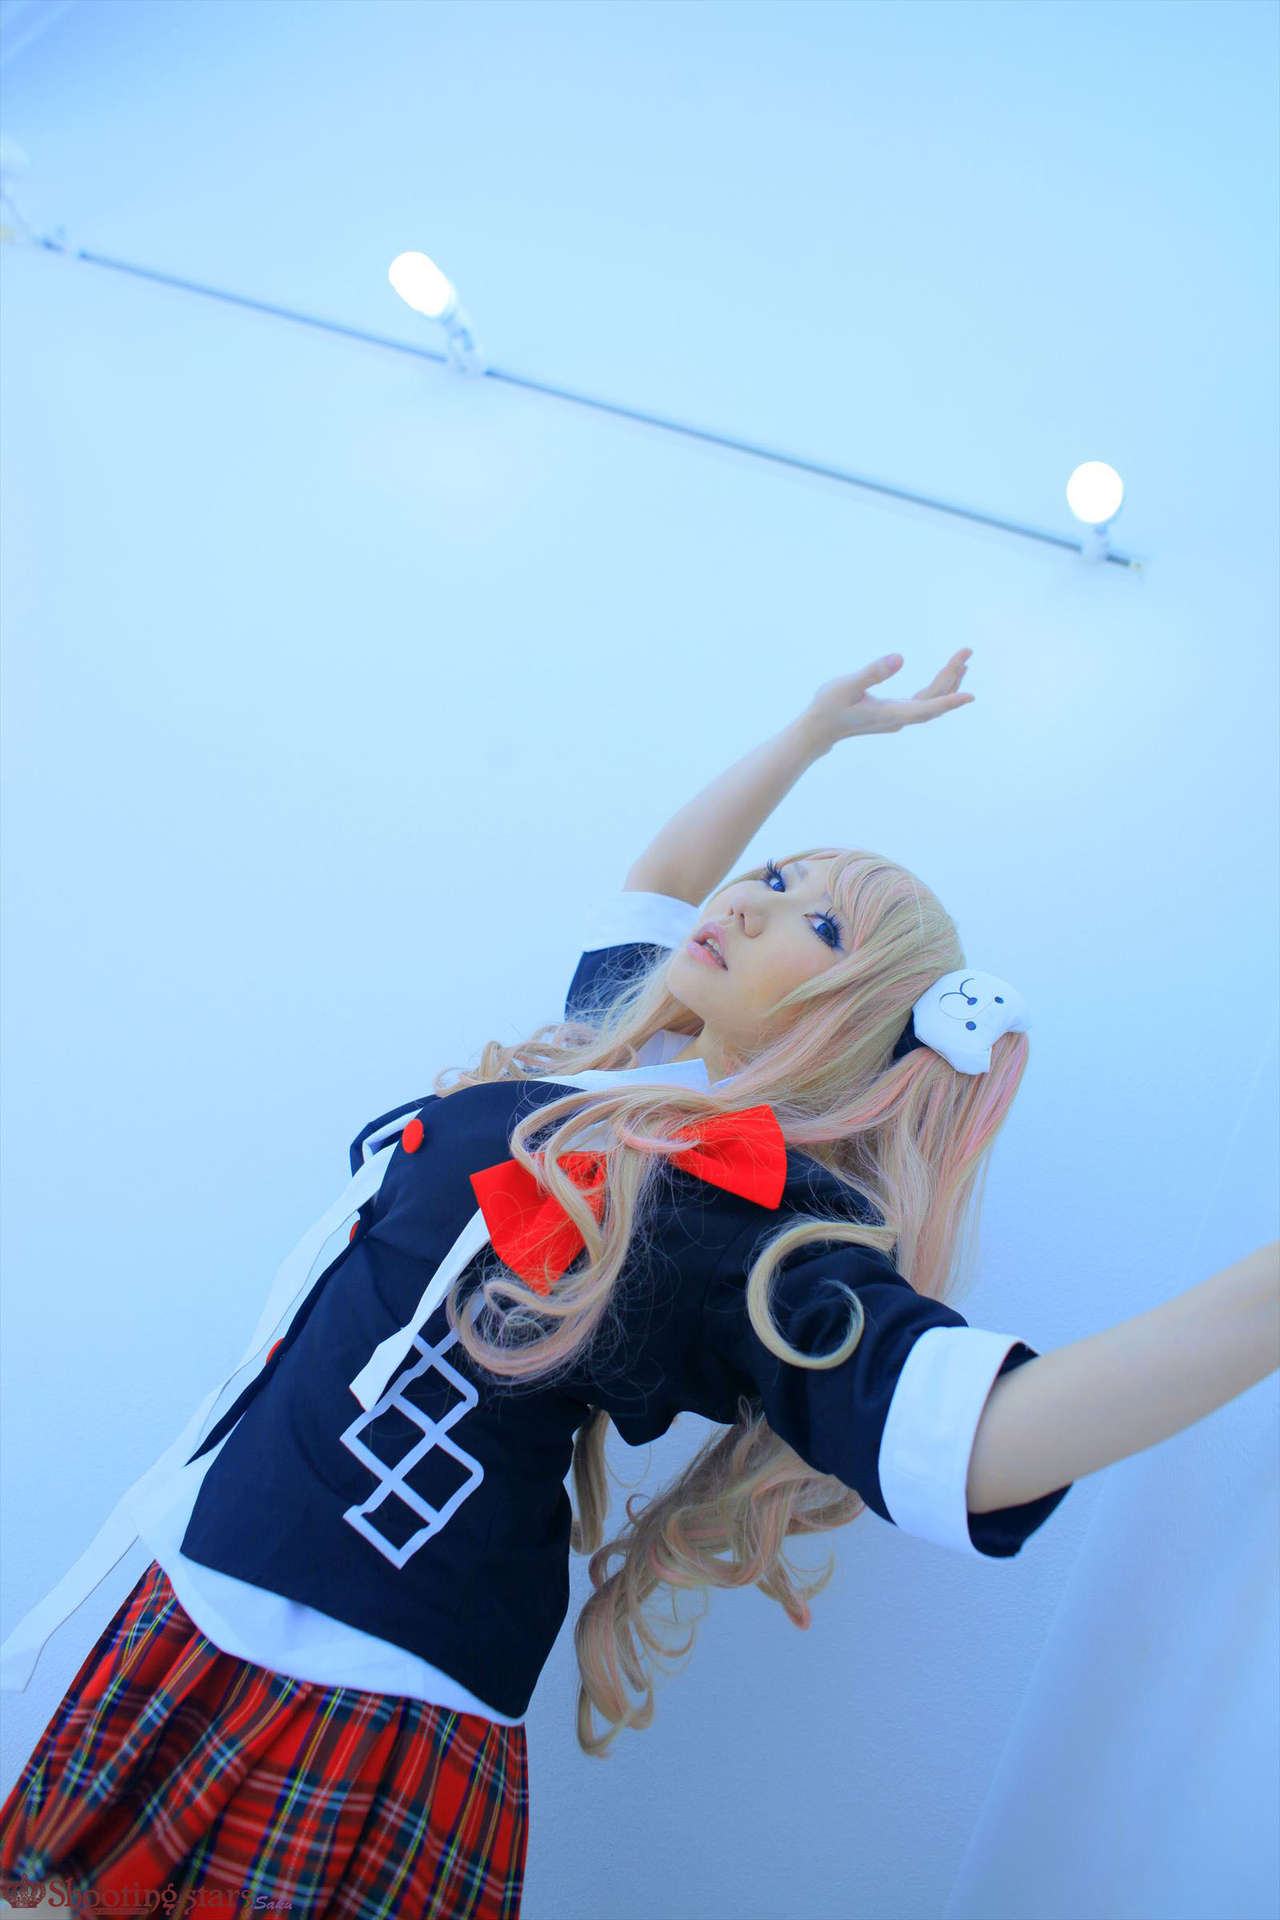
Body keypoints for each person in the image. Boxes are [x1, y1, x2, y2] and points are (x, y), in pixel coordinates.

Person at [1, 650, 1276, 1918]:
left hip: (357, 1688)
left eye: (818, 924)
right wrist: (808, 736)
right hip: (202, 1583)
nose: (754, 902)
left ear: (853, 1022)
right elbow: (659, 887)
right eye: (771, 876)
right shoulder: (606, 1075)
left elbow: (972, 1435)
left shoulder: (739, 1208)